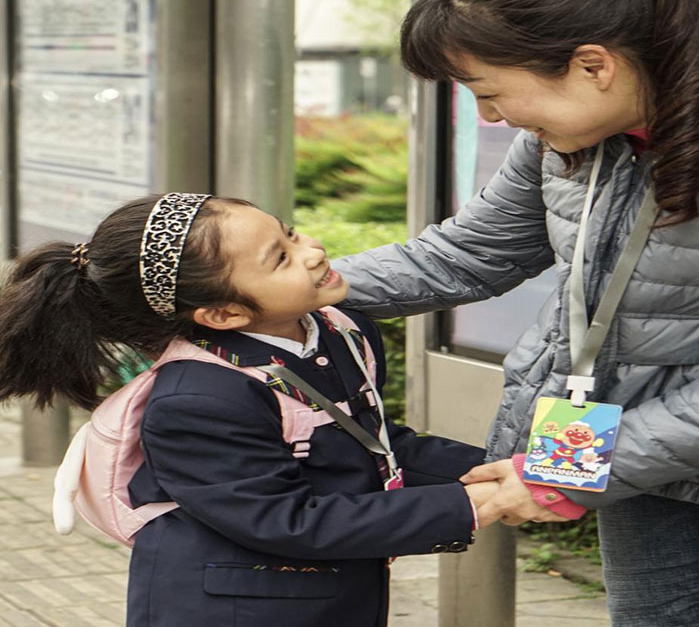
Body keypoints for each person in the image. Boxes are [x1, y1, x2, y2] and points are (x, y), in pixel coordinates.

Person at [333, 0, 699, 626]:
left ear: (592, 65)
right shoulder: (567, 146)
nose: (491, 115)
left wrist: (555, 470)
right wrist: (285, 285)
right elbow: (465, 254)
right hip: (637, 453)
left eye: (490, 91)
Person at [0, 192, 503, 627]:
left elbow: (375, 444)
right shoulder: (197, 399)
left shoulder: (342, 330)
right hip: (229, 609)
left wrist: (502, 469)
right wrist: (475, 505)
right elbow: (286, 520)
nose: (312, 251)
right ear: (223, 314)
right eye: (280, 258)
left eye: (291, 233)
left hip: (332, 593)